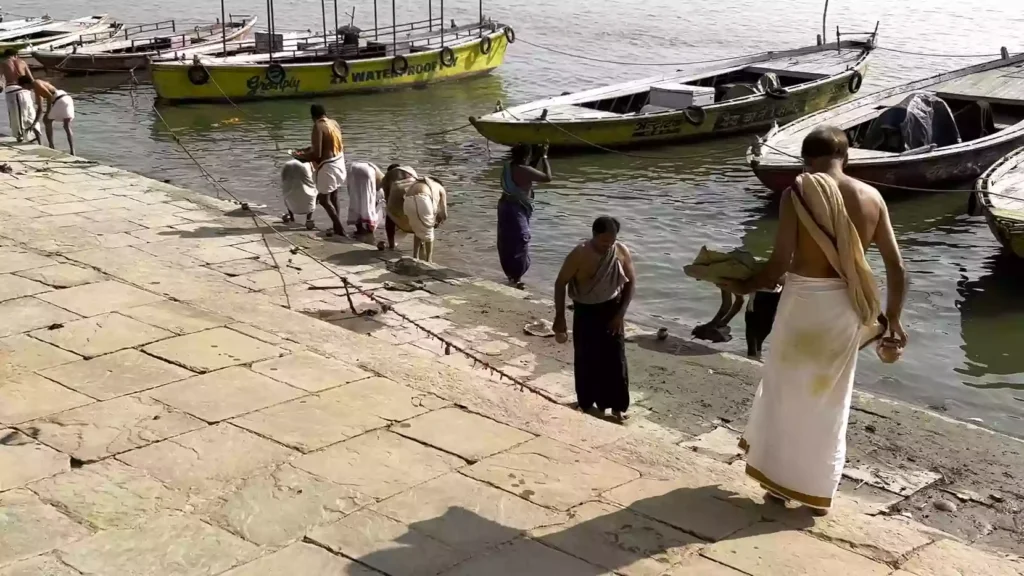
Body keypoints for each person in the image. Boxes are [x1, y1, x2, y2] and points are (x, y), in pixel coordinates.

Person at [721, 125, 908, 516]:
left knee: (787, 394)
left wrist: (742, 283)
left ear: (806, 160)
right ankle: (818, 493)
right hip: (846, 310)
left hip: (803, 304)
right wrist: (893, 318)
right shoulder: (872, 197)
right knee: (830, 401)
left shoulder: (798, 193)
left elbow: (777, 266)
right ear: (848, 156)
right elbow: (897, 267)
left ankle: (779, 487)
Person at [553, 216, 637, 423]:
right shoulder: (579, 253)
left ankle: (618, 407)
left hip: (612, 310)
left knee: (616, 360)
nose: (607, 246)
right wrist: (560, 317)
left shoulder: (620, 251)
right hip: (586, 311)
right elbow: (560, 283)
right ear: (594, 236)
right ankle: (587, 404)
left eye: (611, 241)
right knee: (586, 359)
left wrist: (620, 315)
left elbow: (631, 283)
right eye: (603, 242)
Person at [498, 143, 552, 289]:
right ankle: (516, 277)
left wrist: (538, 156)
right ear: (526, 156)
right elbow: (548, 177)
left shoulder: (508, 166)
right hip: (517, 208)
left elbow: (529, 170)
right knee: (521, 240)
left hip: (504, 205)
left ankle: (511, 276)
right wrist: (545, 157)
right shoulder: (524, 170)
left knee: (506, 240)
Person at [295, 104, 346, 236]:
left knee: (324, 200)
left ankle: (339, 229)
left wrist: (300, 157)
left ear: (313, 117)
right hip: (339, 162)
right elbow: (327, 146)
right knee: (334, 196)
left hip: (328, 166)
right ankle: (336, 225)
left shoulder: (318, 126)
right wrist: (307, 150)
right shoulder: (334, 123)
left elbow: (317, 154)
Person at [20, 76, 73, 155]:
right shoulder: (37, 89)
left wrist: (48, 112)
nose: (25, 89)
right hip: (67, 98)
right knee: (66, 126)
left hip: (60, 99)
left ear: (26, 84)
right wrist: (33, 124)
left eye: (23, 87)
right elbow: (40, 109)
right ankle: (72, 151)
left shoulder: (36, 83)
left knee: (47, 121)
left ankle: (51, 146)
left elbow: (49, 96)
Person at [403, 174, 448, 262]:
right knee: (429, 232)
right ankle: (429, 260)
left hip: (407, 201)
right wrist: (439, 221)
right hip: (423, 200)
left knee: (417, 229)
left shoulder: (418, 182)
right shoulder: (440, 187)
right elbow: (444, 213)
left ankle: (415, 257)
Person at [1, 50, 38, 143]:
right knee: (29, 113)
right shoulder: (23, 62)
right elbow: (32, 80)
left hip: (12, 90)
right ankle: (35, 134)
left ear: (6, 56)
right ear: (16, 55)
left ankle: (20, 135)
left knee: (15, 116)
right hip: (25, 90)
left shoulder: (3, 63)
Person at [347, 161, 385, 236]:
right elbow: (378, 201)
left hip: (352, 168)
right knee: (368, 203)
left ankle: (359, 229)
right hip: (367, 171)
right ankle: (369, 228)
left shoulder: (381, 174)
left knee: (355, 199)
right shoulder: (384, 181)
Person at [280, 158, 317, 229]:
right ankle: (308, 219)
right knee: (314, 191)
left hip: (291, 201)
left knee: (287, 194)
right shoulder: (306, 168)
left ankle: (292, 218)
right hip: (308, 203)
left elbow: (283, 180)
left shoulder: (287, 167)